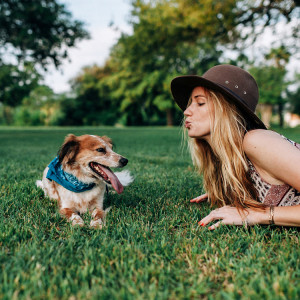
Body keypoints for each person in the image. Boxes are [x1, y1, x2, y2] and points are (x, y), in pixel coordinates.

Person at [170, 64, 300, 229]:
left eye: (200, 103)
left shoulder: (257, 141)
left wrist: (255, 215)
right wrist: (233, 192)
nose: (186, 111)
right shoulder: (229, 161)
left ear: (227, 110)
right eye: (190, 104)